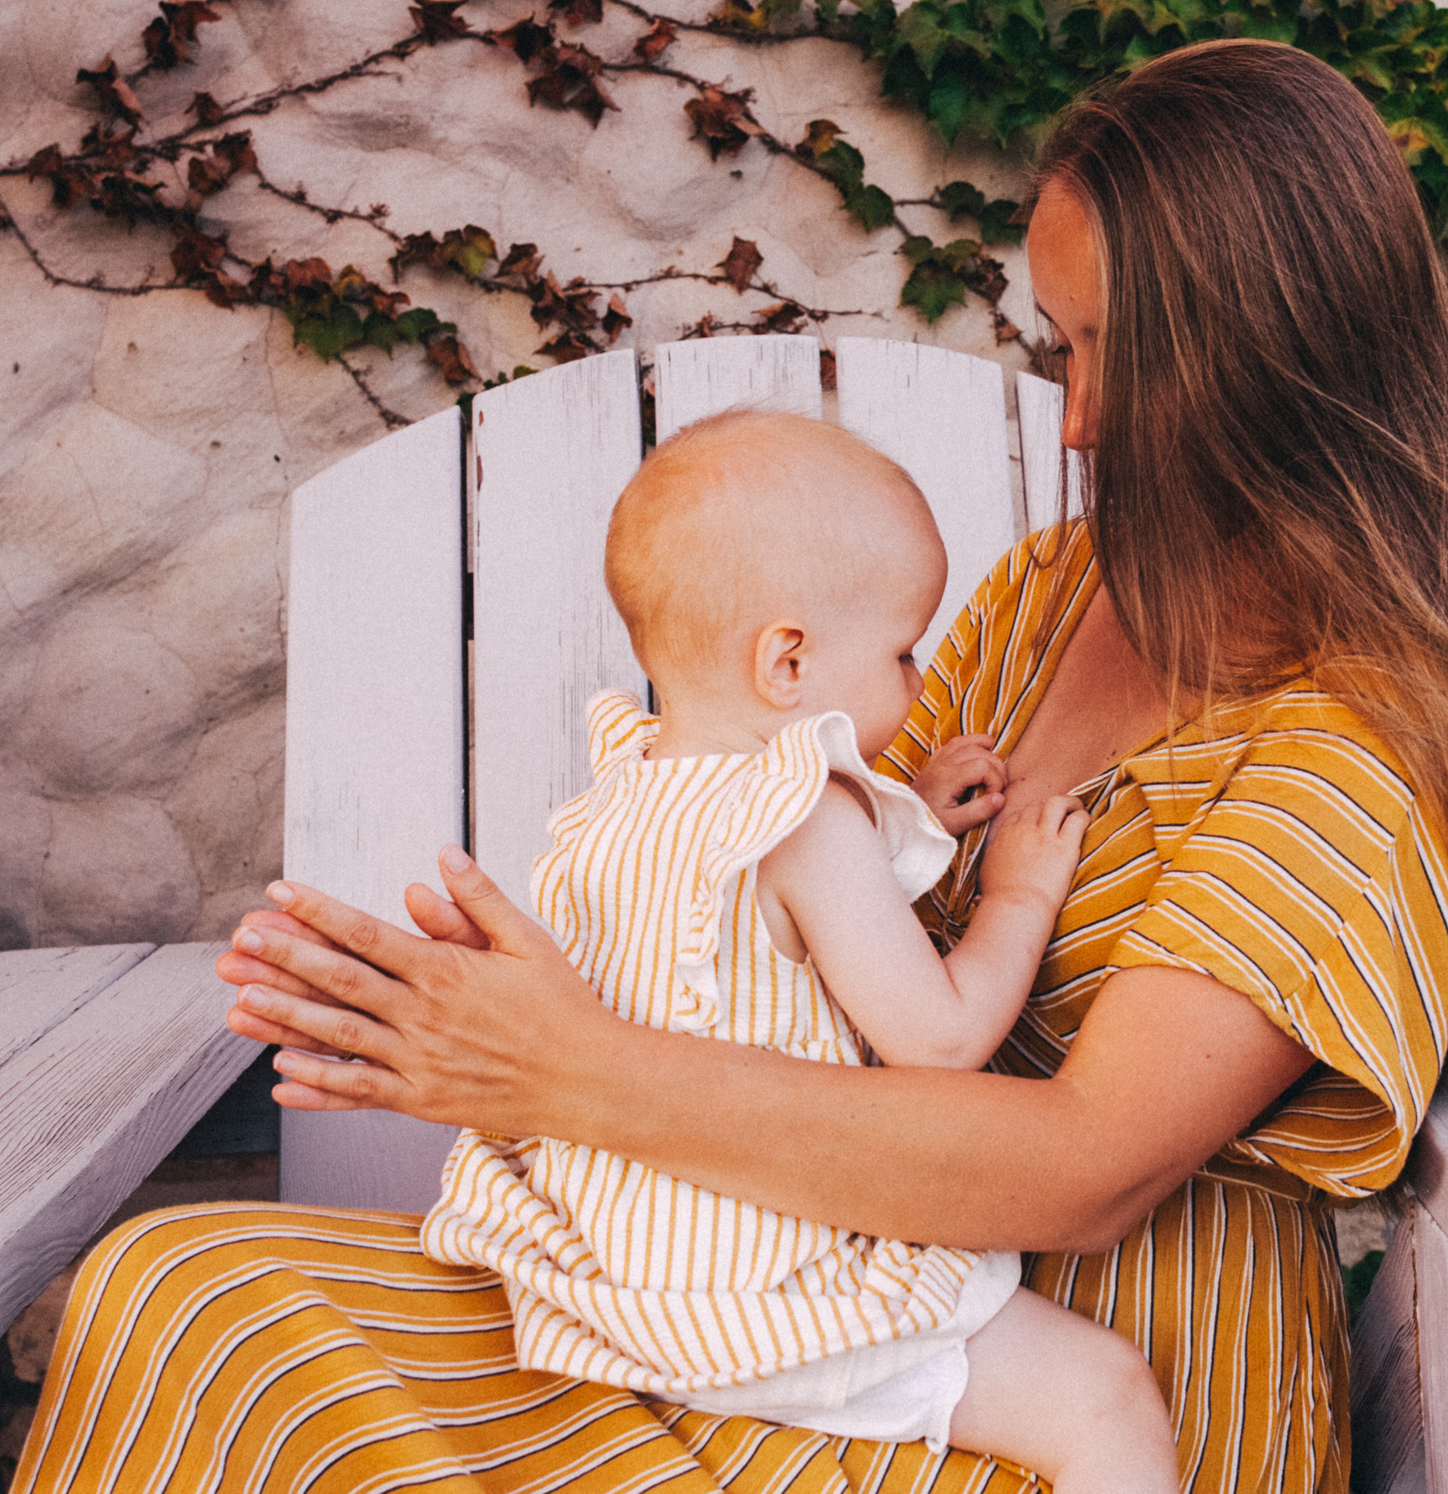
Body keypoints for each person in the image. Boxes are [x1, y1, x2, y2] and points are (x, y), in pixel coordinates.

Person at [13, 37, 1448, 1494]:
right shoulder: (1058, 596)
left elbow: (1084, 1170)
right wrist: (526, 988)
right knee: (183, 1297)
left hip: (1066, 1402)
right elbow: (795, 881)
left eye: (1119, 350)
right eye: (1061, 344)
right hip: (771, 1292)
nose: (1077, 419)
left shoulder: (1355, 752)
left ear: (1283, 355)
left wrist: (562, 1069)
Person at [423, 407, 1176, 1490]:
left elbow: (745, 952)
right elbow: (941, 1036)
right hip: (764, 1283)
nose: (918, 684)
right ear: (788, 662)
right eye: (903, 652)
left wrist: (904, 813)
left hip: (614, 1273)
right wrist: (1017, 891)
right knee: (1102, 1395)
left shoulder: (618, 802)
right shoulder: (807, 819)